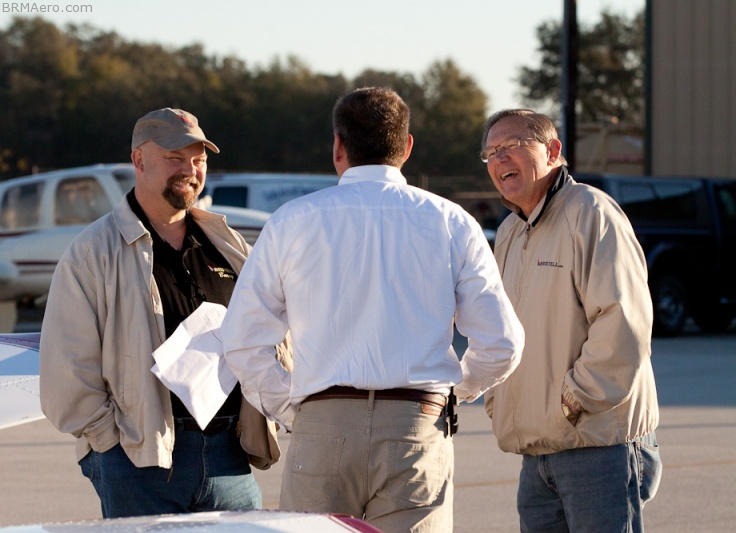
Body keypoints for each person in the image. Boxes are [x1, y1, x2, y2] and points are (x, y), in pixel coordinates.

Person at [219, 87, 525, 532]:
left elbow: (243, 341)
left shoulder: (291, 221)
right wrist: (453, 394)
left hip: (320, 425)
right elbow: (502, 343)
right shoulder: (450, 220)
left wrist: (294, 409)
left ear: (338, 146)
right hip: (416, 426)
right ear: (406, 147)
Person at [40, 107, 286, 519]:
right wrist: (112, 446)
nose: (189, 170)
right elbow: (66, 370)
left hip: (229, 457)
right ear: (138, 160)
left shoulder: (230, 247)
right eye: (175, 158)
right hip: (138, 461)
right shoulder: (92, 253)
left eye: (199, 159)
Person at [480, 109, 662, 533]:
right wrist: (501, 403)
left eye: (512, 146)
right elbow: (500, 330)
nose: (499, 159)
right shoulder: (509, 232)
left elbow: (624, 323)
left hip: (599, 447)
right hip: (538, 452)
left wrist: (574, 400)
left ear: (553, 151)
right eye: (490, 152)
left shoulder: (591, 212)